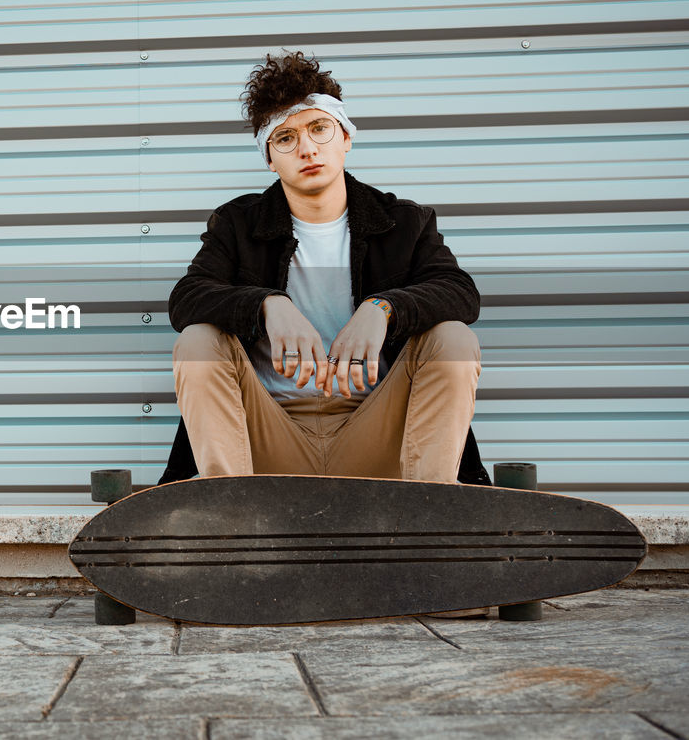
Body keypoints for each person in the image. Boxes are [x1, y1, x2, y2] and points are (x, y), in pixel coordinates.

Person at [162, 51, 489, 486]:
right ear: (269, 157)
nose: (307, 148)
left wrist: (382, 308)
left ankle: (427, 510)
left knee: (454, 337)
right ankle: (231, 510)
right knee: (197, 340)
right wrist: (267, 305)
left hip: (377, 435)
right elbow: (186, 299)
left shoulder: (403, 222)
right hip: (270, 440)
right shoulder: (239, 224)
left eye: (319, 128)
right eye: (286, 138)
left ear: (346, 137)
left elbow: (459, 292)